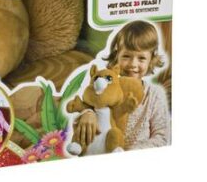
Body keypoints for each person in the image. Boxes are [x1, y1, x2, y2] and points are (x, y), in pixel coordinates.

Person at [73, 21, 170, 150]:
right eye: (126, 56)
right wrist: (88, 113)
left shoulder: (154, 94)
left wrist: (126, 153)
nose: (133, 64)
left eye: (141, 58)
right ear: (116, 56)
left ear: (151, 59)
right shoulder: (106, 86)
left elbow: (162, 137)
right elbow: (89, 104)